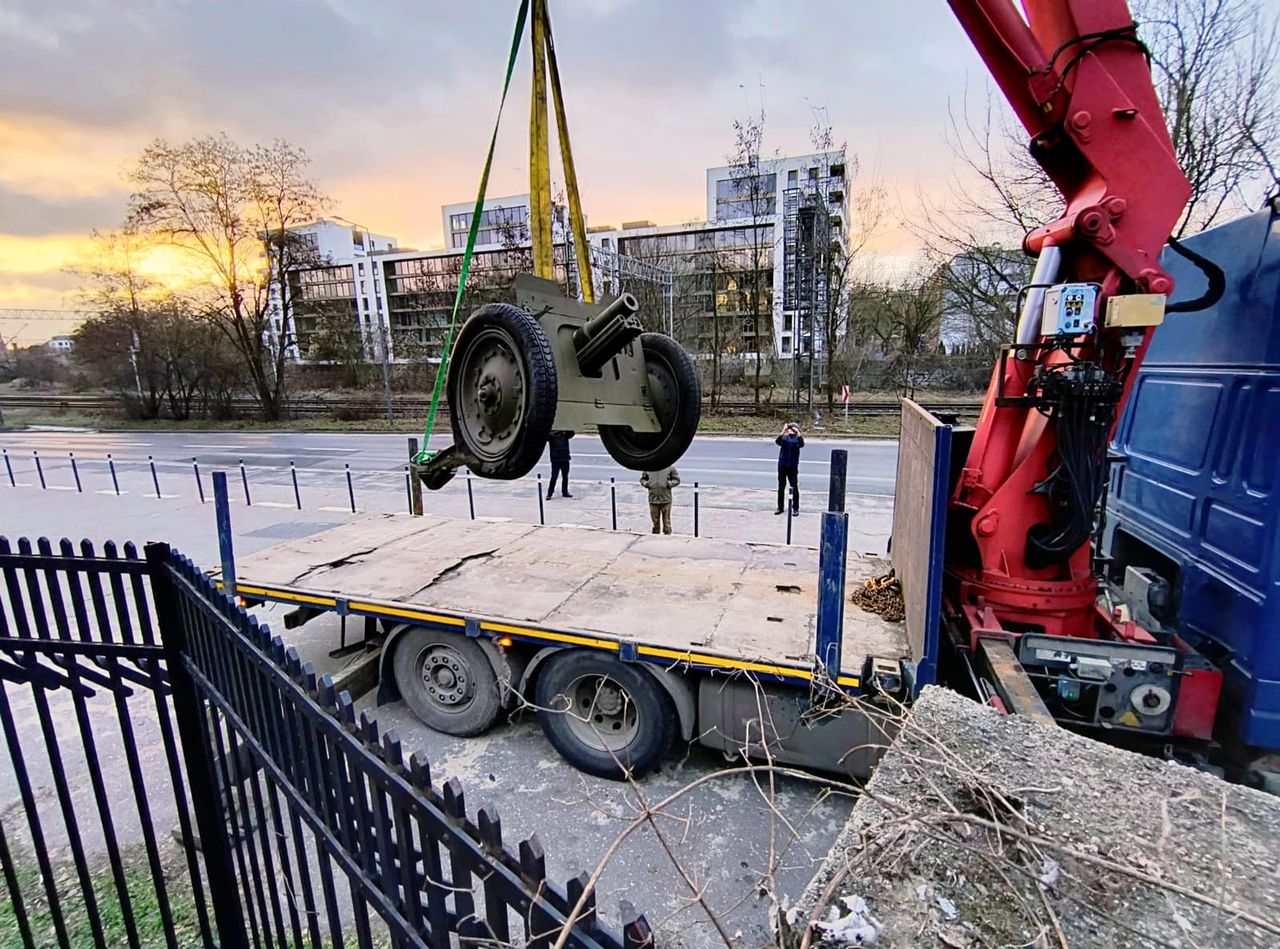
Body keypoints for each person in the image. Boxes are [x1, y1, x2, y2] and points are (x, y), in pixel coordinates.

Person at [640, 466, 681, 535]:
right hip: (653, 500)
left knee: (666, 523)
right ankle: (655, 538)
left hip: (666, 499)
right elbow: (642, 479)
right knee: (655, 523)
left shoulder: (670, 467)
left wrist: (669, 484)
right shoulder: (648, 467)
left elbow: (677, 480)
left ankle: (667, 538)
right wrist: (646, 484)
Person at [775, 421, 804, 515]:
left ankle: (795, 508)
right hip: (782, 466)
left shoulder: (797, 439)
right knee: (781, 487)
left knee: (794, 487)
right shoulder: (785, 438)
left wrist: (798, 433)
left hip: (792, 467)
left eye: (792, 429)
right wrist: (783, 430)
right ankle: (780, 507)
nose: (790, 430)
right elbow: (777, 441)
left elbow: (802, 444)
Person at [546, 430, 573, 499]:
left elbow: (572, 433)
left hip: (564, 458)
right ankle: (550, 493)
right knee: (554, 477)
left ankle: (564, 492)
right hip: (557, 459)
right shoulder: (551, 435)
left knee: (565, 477)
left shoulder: (565, 433)